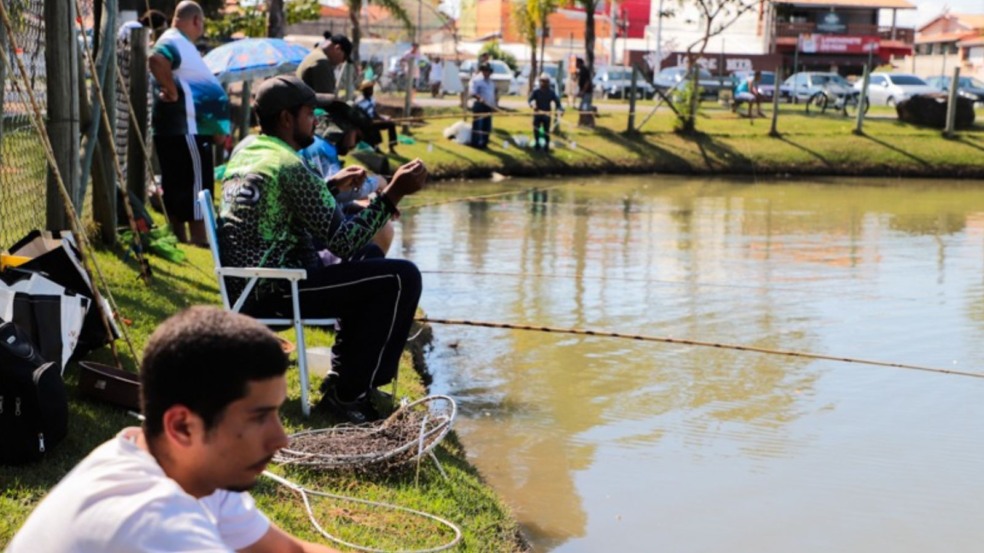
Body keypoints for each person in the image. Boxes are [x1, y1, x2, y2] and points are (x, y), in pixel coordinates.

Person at [6, 306, 343, 552]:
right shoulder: (152, 525)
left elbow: (289, 552)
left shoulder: (184, 465)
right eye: (258, 417)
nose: (281, 439)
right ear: (182, 426)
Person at [219, 75, 426, 423]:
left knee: (370, 257)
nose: (316, 120)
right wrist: (393, 193)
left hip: (251, 284)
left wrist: (329, 185)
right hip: (278, 290)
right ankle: (350, 396)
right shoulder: (290, 166)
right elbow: (343, 240)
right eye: (309, 113)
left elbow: (288, 209)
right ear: (287, 118)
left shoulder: (251, 151)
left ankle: (343, 378)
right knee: (402, 277)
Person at [148, 1, 230, 246]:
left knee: (177, 182)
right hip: (187, 130)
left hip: (181, 129)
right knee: (197, 184)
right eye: (201, 23)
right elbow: (157, 59)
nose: (201, 28)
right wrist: (170, 90)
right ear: (195, 20)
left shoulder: (181, 43)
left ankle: (180, 237)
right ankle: (199, 238)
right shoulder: (175, 40)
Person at [355, 80, 399, 153]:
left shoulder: (372, 99)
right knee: (373, 126)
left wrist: (383, 118)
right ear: (365, 90)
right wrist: (373, 119)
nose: (372, 90)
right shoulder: (360, 101)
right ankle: (376, 147)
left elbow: (374, 112)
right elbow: (360, 116)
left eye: (372, 88)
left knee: (391, 123)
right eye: (370, 89)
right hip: (365, 123)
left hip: (373, 120)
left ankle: (391, 147)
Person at [528, 73, 564, 152]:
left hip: (547, 114)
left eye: (546, 81)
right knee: (536, 129)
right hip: (537, 113)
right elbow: (529, 100)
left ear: (549, 82)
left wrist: (560, 110)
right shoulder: (536, 91)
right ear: (540, 81)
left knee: (546, 131)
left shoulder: (551, 92)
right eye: (542, 81)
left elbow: (558, 103)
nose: (544, 83)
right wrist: (533, 105)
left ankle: (546, 146)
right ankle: (537, 144)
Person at [468, 63, 495, 149]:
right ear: (482, 71)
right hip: (479, 105)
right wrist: (479, 98)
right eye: (485, 70)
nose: (487, 72)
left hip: (488, 106)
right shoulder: (476, 80)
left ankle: (484, 143)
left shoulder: (491, 82)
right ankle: (476, 143)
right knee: (478, 124)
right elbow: (472, 92)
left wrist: (493, 105)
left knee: (487, 125)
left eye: (488, 71)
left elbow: (492, 95)